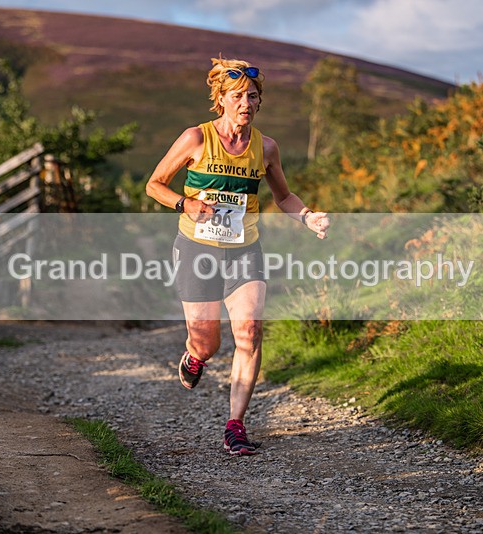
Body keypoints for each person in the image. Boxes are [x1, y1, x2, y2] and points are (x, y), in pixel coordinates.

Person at [145, 56, 330, 456]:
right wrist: (184, 204)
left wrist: (308, 216)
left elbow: (284, 197)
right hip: (196, 248)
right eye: (237, 96)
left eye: (252, 96)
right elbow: (154, 184)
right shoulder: (196, 138)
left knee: (249, 331)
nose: (246, 103)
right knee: (207, 342)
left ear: (259, 102)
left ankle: (235, 426)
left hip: (244, 249)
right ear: (221, 100)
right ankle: (196, 357)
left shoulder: (265, 148)